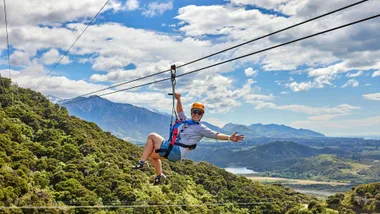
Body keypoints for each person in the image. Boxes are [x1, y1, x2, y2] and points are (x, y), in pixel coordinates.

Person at [132, 92, 245, 185]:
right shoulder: (186, 121)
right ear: (192, 112)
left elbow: (215, 134)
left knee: (152, 136)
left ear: (202, 115)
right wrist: (179, 99)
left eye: (199, 113)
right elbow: (180, 111)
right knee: (152, 155)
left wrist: (230, 137)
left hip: (176, 150)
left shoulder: (201, 127)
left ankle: (141, 162)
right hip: (176, 153)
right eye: (195, 112)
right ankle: (159, 176)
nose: (196, 114)